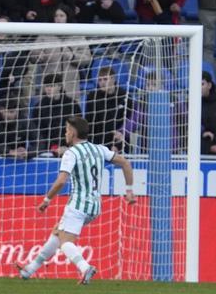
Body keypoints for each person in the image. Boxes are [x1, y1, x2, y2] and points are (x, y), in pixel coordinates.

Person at [15, 116, 135, 283]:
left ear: (73, 132)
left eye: (66, 130)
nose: (65, 133)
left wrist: (47, 200)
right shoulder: (99, 149)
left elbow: (61, 180)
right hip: (95, 206)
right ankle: (30, 269)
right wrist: (129, 190)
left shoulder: (71, 153)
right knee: (58, 232)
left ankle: (85, 268)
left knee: (65, 241)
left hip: (78, 204)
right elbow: (125, 163)